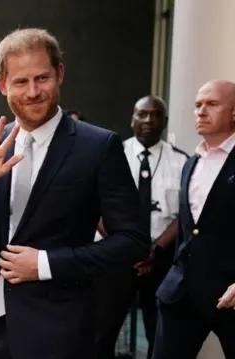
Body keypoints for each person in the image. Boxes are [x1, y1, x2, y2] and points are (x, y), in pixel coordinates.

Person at [0, 28, 150, 359]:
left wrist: (46, 263)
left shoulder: (98, 147)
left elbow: (133, 241)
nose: (33, 92)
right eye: (20, 81)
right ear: (3, 85)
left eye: (42, 78)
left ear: (59, 74)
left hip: (56, 328)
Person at [95, 96, 187, 359]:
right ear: (132, 119)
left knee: (160, 333)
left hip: (161, 260)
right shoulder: (109, 154)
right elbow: (93, 208)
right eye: (142, 114)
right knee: (102, 332)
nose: (148, 120)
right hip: (115, 258)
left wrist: (154, 249)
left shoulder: (181, 162)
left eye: (155, 115)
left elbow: (185, 215)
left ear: (165, 122)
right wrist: (127, 246)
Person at [153, 80, 235, 359]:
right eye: (198, 105)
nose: (201, 111)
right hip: (181, 294)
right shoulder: (191, 163)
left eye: (212, 104)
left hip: (230, 294)